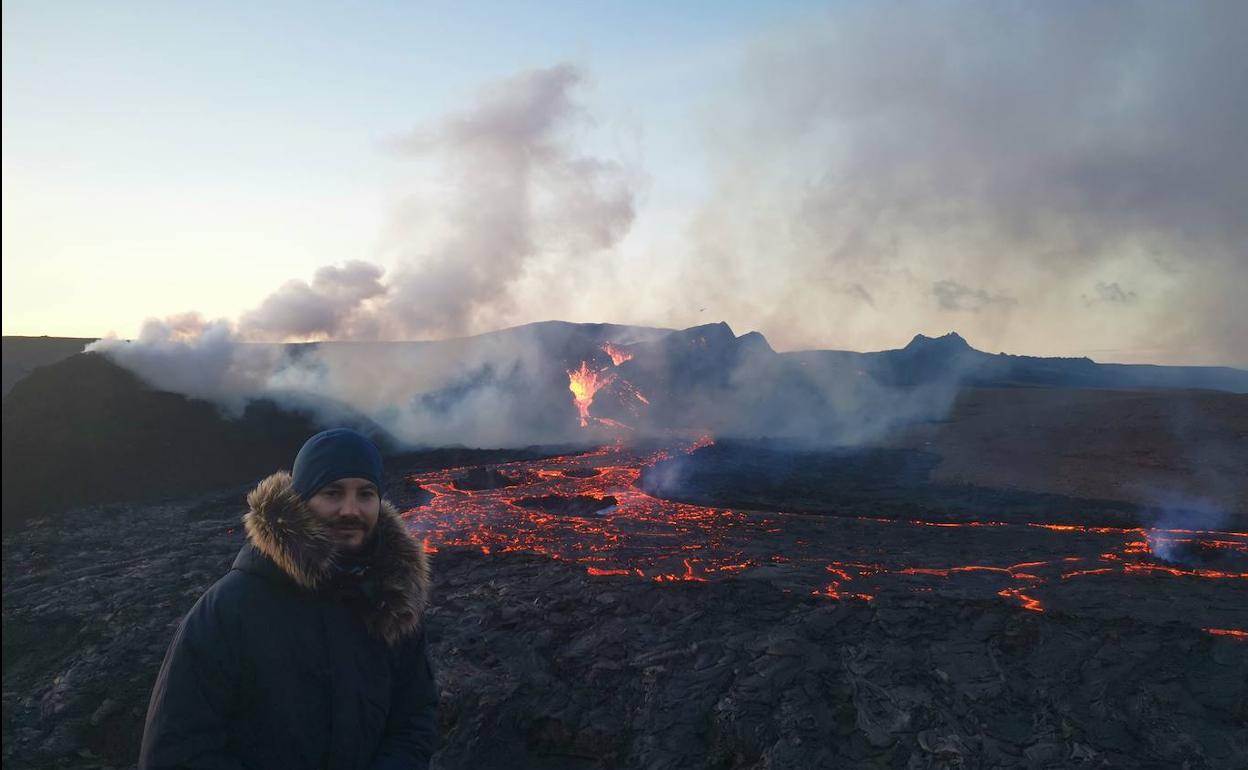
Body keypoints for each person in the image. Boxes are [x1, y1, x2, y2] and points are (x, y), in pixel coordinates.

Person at [139, 428, 437, 770]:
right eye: (332, 492)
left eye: (366, 493)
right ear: (300, 500)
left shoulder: (392, 601)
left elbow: (414, 718)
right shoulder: (231, 609)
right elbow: (176, 749)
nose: (350, 509)